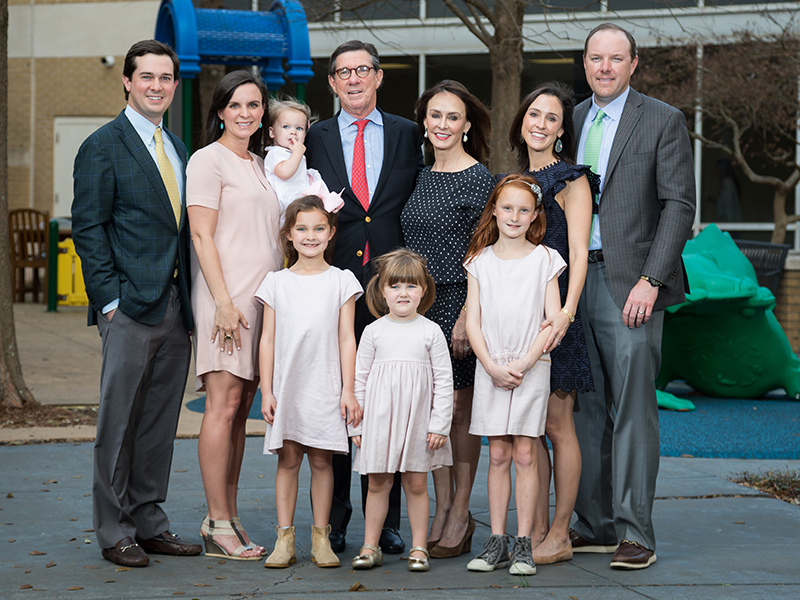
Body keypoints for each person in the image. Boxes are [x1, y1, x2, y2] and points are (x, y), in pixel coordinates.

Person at [71, 39, 202, 567]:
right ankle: (112, 529)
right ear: (127, 81)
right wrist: (108, 302)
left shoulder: (179, 148)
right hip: (128, 308)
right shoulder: (103, 144)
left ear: (174, 84)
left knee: (158, 422)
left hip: (176, 305)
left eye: (165, 77)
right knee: (118, 423)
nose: (156, 86)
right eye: (146, 76)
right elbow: (89, 228)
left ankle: (148, 520)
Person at [571, 23, 696, 570]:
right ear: (585, 63)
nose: (604, 67)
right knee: (586, 409)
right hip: (577, 281)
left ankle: (635, 532)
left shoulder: (663, 118)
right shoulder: (572, 117)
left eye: (615, 59)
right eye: (595, 58)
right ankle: (594, 524)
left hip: (632, 286)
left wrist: (651, 279)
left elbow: (678, 206)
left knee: (633, 412)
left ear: (633, 64)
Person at [305, 39, 424, 555]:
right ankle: (334, 520)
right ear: (332, 83)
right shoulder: (312, 137)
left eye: (362, 70)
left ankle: (388, 521)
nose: (352, 79)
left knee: (388, 402)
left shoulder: (408, 133)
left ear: (378, 77)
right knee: (339, 400)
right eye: (342, 72)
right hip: (335, 287)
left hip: (392, 287)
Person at [187, 70, 283, 560]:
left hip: (259, 303)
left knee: (240, 411)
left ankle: (225, 516)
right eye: (236, 105)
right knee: (222, 408)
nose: (245, 113)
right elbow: (202, 236)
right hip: (226, 302)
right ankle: (217, 521)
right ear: (220, 110)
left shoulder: (262, 164)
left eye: (254, 105)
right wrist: (222, 302)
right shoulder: (208, 160)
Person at [400, 79, 494, 557]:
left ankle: (461, 509)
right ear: (424, 122)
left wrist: (465, 319)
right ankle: (439, 508)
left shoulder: (481, 180)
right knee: (429, 412)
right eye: (434, 115)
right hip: (416, 310)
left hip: (458, 304)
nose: (442, 124)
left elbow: (485, 254)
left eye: (452, 117)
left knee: (458, 413)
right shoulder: (417, 174)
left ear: (467, 124)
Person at [507, 82, 596, 565]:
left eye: (551, 118)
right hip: (517, 321)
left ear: (563, 130)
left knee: (559, 426)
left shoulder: (571, 179)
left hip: (556, 317)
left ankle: (561, 532)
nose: (540, 124)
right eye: (534, 115)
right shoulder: (514, 180)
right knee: (531, 428)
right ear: (522, 120)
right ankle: (537, 527)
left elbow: (579, 253)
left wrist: (565, 312)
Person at [463, 174, 566, 575]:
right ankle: (497, 541)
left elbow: (552, 320)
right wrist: (489, 365)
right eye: (507, 207)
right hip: (490, 366)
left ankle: (524, 542)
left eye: (524, 210)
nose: (514, 216)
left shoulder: (545, 260)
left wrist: (523, 364)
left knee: (526, 452)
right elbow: (473, 321)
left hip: (530, 366)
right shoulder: (479, 261)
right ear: (494, 209)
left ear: (535, 214)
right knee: (500, 453)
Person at [255, 195, 363, 569]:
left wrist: (348, 389)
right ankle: (284, 539)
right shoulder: (276, 283)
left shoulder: (342, 281)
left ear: (331, 233)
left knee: (321, 461)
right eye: (302, 228)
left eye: (319, 228)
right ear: (289, 234)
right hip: (288, 386)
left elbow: (347, 338)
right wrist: (267, 390)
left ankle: (322, 538)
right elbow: (266, 339)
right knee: (288, 459)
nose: (310, 236)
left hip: (326, 385)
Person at [349, 248, 454, 573]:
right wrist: (357, 426)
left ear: (424, 290)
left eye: (411, 286)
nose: (403, 293)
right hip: (380, 423)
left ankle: (419, 547)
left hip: (418, 424)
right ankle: (370, 545)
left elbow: (444, 382)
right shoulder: (374, 331)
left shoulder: (431, 331)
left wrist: (439, 425)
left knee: (416, 484)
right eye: (395, 286)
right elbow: (360, 380)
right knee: (378, 483)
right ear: (382, 291)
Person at [263, 98, 343, 224]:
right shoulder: (275, 153)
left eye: (299, 128)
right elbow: (283, 172)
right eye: (286, 126)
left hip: (297, 204)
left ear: (305, 134)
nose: (293, 132)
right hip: (284, 207)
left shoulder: (292, 153)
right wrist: (298, 153)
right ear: (272, 132)